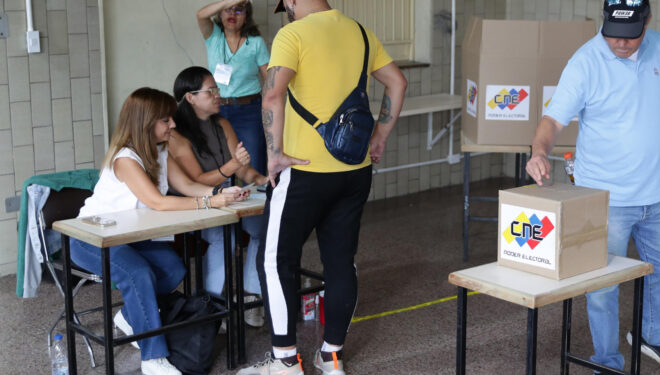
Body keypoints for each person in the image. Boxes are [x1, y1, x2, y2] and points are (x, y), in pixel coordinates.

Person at [525, 1, 660, 373]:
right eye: (613, 36)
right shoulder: (585, 62)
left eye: (631, 36)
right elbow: (552, 119)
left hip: (655, 195)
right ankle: (606, 361)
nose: (621, 45)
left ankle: (653, 338)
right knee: (603, 286)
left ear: (647, 22)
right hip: (604, 200)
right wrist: (539, 151)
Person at [237, 1, 407, 374]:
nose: (288, 11)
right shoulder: (360, 32)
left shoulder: (292, 35)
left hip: (303, 171)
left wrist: (275, 154)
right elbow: (397, 81)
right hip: (354, 169)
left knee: (275, 258)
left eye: (288, 5)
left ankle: (285, 362)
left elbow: (271, 95)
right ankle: (331, 356)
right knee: (340, 261)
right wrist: (379, 136)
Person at [69, 87, 245, 375]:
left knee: (173, 269)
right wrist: (210, 201)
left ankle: (129, 317)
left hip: (129, 238)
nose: (173, 125)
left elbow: (187, 186)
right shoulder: (125, 158)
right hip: (90, 240)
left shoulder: (160, 151)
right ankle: (153, 358)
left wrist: (223, 193)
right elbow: (157, 202)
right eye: (166, 120)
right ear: (145, 122)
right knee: (137, 273)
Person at [169, 66, 268, 327]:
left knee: (261, 227)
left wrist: (261, 179)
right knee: (225, 236)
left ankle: (250, 297)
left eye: (217, 89)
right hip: (194, 202)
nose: (217, 95)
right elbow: (196, 182)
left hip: (227, 196)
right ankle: (211, 307)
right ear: (190, 97)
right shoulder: (177, 133)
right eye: (210, 91)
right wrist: (232, 168)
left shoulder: (222, 123)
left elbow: (243, 167)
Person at [197, 0, 270, 177]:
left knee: (253, 161)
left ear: (247, 17)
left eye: (239, 11)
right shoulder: (214, 36)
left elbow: (270, 79)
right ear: (220, 14)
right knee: (220, 163)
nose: (232, 14)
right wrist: (232, 1)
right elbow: (201, 15)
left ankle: (256, 203)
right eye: (227, 10)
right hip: (216, 109)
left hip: (249, 110)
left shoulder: (255, 42)